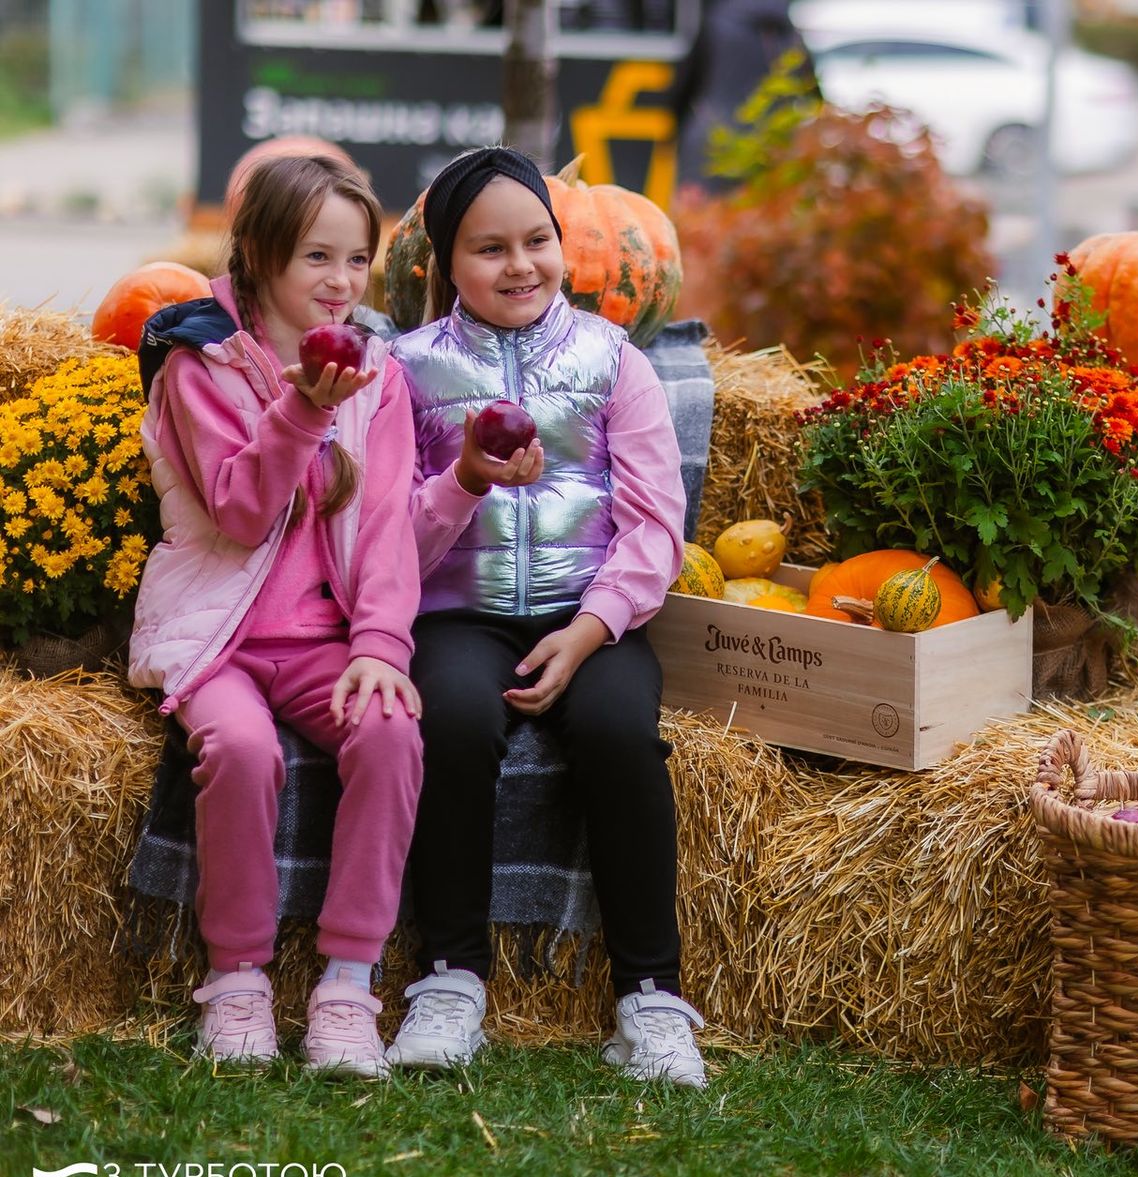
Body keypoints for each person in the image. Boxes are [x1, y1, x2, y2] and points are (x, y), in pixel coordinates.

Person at [385, 146, 704, 1087]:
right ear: (446, 262)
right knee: (449, 720)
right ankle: (450, 979)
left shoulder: (614, 362)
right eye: (490, 249)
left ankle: (651, 996)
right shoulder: (407, 371)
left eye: (537, 241)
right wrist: (464, 478)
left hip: (591, 612)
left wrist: (593, 628)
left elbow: (656, 526)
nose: (520, 265)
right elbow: (388, 541)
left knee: (618, 731)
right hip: (460, 614)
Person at [128, 153, 425, 1078]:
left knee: (390, 731)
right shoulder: (199, 360)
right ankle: (237, 979)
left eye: (357, 259)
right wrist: (301, 408)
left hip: (320, 641)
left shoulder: (377, 375)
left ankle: (347, 985)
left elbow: (388, 528)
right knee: (243, 750)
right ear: (259, 255)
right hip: (216, 632)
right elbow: (241, 513)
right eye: (317, 258)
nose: (342, 283)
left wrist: (379, 646)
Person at [666, 0, 818, 195]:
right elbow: (811, 94)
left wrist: (673, 125)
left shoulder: (714, 25)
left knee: (702, 211)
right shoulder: (790, 33)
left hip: (711, 141)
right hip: (774, 143)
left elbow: (686, 81)